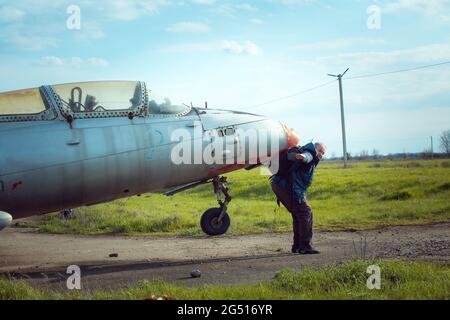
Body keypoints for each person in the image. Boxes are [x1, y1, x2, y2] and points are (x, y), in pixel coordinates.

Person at [270, 142, 326, 254]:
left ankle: (297, 246)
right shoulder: (310, 153)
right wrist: (303, 157)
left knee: (298, 213)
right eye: (322, 152)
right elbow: (307, 157)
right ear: (318, 150)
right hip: (285, 186)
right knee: (305, 212)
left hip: (279, 184)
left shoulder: (307, 152)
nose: (322, 155)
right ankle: (305, 246)